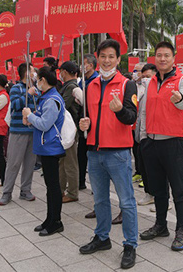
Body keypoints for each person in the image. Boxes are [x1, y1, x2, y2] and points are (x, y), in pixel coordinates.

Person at [79, 39, 138, 270]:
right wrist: (84, 124)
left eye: (111, 56)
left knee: (126, 201)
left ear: (118, 59)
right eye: (103, 56)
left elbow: (131, 118)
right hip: (94, 152)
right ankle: (102, 238)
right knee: (100, 199)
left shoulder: (126, 84)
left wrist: (120, 110)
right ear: (97, 57)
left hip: (119, 153)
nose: (106, 60)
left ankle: (130, 244)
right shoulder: (89, 85)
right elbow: (87, 117)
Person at [139, 41, 183, 251]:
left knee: (179, 190)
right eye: (159, 55)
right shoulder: (150, 82)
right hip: (151, 143)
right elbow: (144, 111)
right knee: (159, 190)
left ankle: (182, 230)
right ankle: (161, 225)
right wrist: (143, 138)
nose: (162, 59)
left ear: (173, 58)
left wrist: (179, 99)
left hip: (173, 143)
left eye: (166, 55)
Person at [23, 66, 65, 236]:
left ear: (43, 80)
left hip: (51, 148)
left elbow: (45, 124)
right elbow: (41, 121)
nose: (36, 82)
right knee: (50, 186)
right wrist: (31, 120)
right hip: (45, 147)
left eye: (38, 79)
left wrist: (30, 115)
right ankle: (50, 219)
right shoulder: (46, 97)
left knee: (53, 187)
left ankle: (56, 221)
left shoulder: (52, 100)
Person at [0, 63, 38, 205]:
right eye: (33, 71)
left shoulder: (36, 88)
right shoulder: (16, 88)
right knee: (13, 163)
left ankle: (25, 190)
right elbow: (15, 105)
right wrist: (28, 94)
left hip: (33, 131)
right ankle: (7, 192)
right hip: (18, 132)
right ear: (26, 73)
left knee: (30, 163)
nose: (35, 74)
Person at [59, 61, 82, 204]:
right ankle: (60, 189)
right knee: (62, 162)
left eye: (61, 71)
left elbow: (62, 106)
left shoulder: (71, 87)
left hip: (70, 130)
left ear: (65, 72)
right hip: (65, 130)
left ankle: (73, 192)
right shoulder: (67, 86)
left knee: (70, 162)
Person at [135, 63, 157, 206]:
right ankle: (149, 194)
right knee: (145, 168)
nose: (145, 80)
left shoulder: (158, 92)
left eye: (148, 77)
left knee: (158, 171)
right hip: (142, 135)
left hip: (155, 135)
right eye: (143, 77)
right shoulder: (141, 90)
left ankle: (162, 198)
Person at [78, 53, 99, 192]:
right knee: (81, 154)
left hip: (94, 123)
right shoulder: (82, 81)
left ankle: (96, 185)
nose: (82, 66)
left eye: (84, 63)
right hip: (82, 120)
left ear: (90, 65)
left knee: (93, 156)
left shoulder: (97, 80)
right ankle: (81, 182)